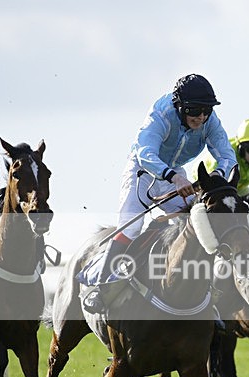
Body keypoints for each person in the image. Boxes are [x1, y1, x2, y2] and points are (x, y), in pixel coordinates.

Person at [83, 74, 237, 313]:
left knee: (199, 223)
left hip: (174, 172)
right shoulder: (161, 114)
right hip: (142, 171)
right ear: (180, 106)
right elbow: (145, 154)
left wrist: (217, 175)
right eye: (195, 110)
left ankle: (205, 293)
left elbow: (228, 156)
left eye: (206, 110)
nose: (201, 117)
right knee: (131, 227)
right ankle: (101, 288)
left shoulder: (210, 121)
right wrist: (174, 177)